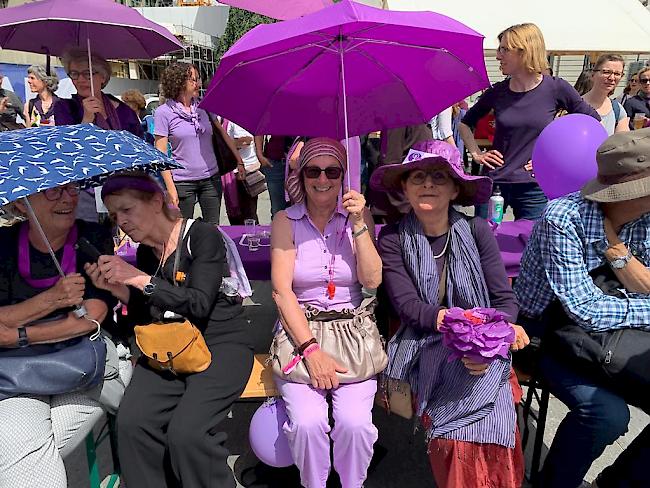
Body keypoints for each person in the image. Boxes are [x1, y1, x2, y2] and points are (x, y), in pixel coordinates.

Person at [372, 139, 529, 488]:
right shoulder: (393, 239)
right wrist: (464, 333)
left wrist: (489, 343)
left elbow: (504, 299)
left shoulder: (476, 230)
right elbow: (409, 307)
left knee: (497, 415)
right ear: (405, 187)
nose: (428, 183)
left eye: (439, 177)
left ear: (456, 188)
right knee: (456, 437)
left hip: (484, 341)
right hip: (425, 341)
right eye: (418, 177)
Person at [86, 172, 253, 488]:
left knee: (188, 434)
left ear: (157, 200)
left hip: (219, 344)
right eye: (113, 215)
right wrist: (120, 290)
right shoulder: (148, 251)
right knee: (133, 423)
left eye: (127, 210)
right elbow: (147, 311)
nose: (120, 221)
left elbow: (199, 303)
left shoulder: (202, 236)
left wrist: (136, 278)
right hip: (168, 347)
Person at [514, 128, 650, 488]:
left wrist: (623, 266)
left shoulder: (645, 219)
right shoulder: (563, 217)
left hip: (616, 339)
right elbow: (584, 308)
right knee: (606, 414)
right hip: (546, 335)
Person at [271, 138, 382, 488]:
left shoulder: (357, 216)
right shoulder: (284, 220)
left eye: (332, 171)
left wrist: (360, 225)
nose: (323, 179)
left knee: (354, 424)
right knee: (306, 422)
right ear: (301, 177)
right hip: (300, 331)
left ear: (343, 176)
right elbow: (281, 291)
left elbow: (372, 279)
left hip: (351, 330)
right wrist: (310, 350)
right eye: (313, 171)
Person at [0, 182, 114, 487]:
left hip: (83, 367)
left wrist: (18, 334)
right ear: (22, 204)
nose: (67, 198)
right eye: (53, 191)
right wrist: (53, 299)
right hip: (18, 377)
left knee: (23, 454)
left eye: (72, 189)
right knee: (24, 454)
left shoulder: (93, 235)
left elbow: (92, 317)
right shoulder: (3, 243)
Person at [460, 23, 600, 220]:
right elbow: (465, 123)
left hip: (534, 188)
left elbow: (591, 121)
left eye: (504, 49)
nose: (498, 56)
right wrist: (476, 153)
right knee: (486, 244)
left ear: (524, 51)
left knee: (531, 243)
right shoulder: (498, 91)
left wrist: (552, 158)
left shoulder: (556, 88)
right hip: (494, 183)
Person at [155, 62, 237, 225]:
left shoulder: (205, 106)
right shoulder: (163, 113)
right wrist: (170, 187)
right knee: (182, 230)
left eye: (198, 79)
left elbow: (221, 132)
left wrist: (238, 160)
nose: (198, 84)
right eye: (193, 80)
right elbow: (160, 153)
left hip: (210, 179)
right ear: (178, 82)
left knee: (212, 228)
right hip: (182, 181)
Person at [54, 48, 143, 138]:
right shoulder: (64, 108)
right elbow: (65, 146)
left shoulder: (125, 112)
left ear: (103, 77)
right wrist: (86, 121)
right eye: (74, 74)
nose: (80, 80)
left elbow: (139, 146)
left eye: (88, 73)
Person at [254, 135, 300, 218]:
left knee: (301, 208)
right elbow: (260, 128)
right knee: (278, 210)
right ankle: (279, 229)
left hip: (300, 163)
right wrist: (259, 154)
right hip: (276, 163)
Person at [582, 54, 629, 135]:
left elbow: (622, 144)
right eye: (606, 72)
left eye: (617, 74)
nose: (611, 78)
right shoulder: (575, 106)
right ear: (593, 75)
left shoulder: (618, 110)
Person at [225, 119, 261, 223]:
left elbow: (247, 140)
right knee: (235, 211)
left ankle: (251, 236)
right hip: (232, 170)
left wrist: (226, 144)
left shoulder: (243, 120)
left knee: (249, 212)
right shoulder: (224, 119)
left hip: (247, 169)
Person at [623, 66, 650, 130]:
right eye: (644, 81)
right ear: (639, 83)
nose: (648, 83)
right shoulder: (631, 102)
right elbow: (625, 125)